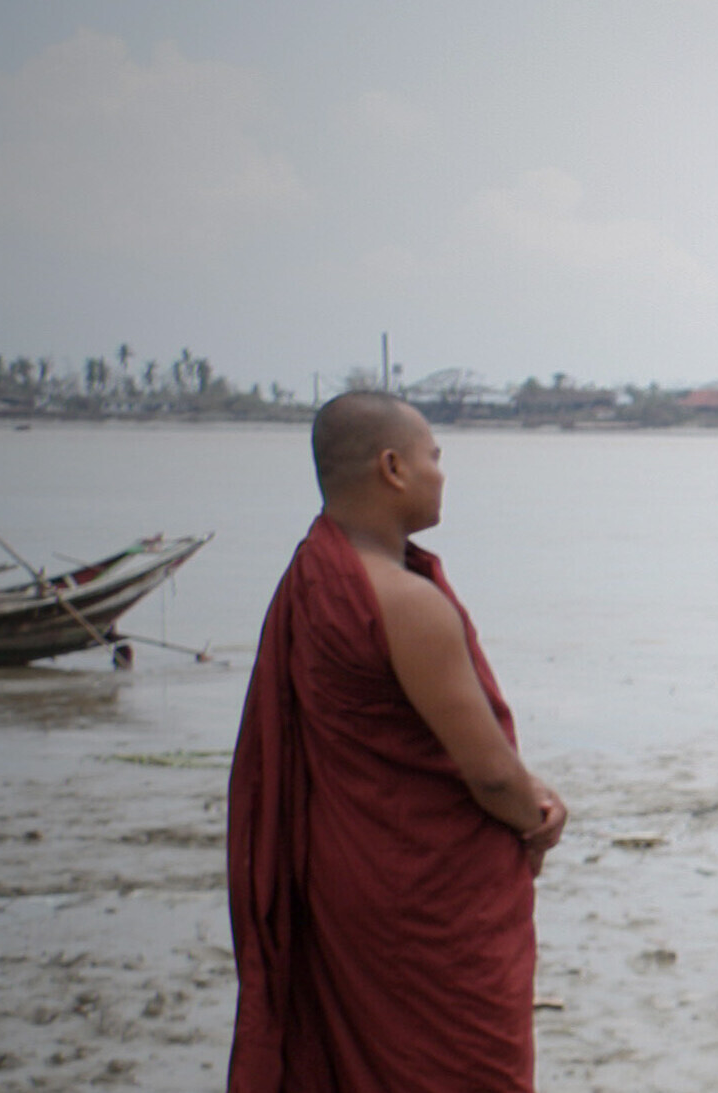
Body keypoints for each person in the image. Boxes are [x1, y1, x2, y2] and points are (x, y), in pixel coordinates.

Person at [228, 391, 568, 1092]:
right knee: (466, 1069)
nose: (442, 472)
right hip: (423, 898)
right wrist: (538, 818)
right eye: (433, 457)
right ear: (393, 467)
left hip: (345, 876)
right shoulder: (406, 602)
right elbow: (492, 777)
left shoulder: (311, 577)